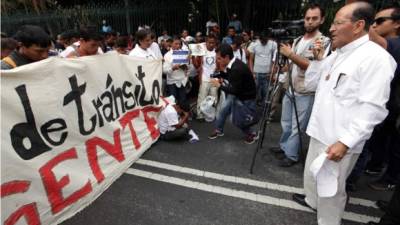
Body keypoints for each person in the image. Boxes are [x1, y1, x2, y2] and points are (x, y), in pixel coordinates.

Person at [291, 2, 397, 225]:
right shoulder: (336, 54)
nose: (331, 28)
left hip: (338, 142)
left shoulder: (375, 58)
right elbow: (312, 84)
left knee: (331, 193)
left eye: (338, 22)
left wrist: (346, 142)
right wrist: (319, 60)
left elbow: (373, 108)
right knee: (314, 181)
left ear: (358, 26)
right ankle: (315, 206)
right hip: (320, 133)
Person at [271, 3, 331, 167]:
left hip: (305, 91)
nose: (310, 22)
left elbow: (313, 67)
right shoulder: (298, 39)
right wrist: (284, 64)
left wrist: (291, 54)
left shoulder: (322, 41)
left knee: (298, 125)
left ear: (322, 20)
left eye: (314, 18)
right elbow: (294, 64)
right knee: (286, 122)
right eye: (307, 18)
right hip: (290, 87)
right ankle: (284, 147)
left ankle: (292, 155)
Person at [208, 44, 257, 144]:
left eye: (219, 58)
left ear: (226, 57)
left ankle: (252, 134)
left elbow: (234, 90)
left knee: (239, 119)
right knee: (223, 111)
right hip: (237, 92)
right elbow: (231, 78)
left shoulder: (236, 68)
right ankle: (218, 130)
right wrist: (220, 74)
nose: (218, 61)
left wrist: (219, 85)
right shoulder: (233, 64)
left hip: (245, 97)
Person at [248, 30, 277, 105]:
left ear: (268, 38)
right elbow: (251, 59)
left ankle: (263, 113)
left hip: (267, 74)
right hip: (256, 73)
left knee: (266, 95)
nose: (264, 42)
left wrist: (272, 72)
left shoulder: (273, 44)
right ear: (259, 39)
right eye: (262, 40)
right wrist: (252, 73)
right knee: (253, 94)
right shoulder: (254, 44)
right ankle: (251, 113)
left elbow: (275, 59)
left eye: (265, 40)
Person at [194, 34, 218, 121]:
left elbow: (220, 64)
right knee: (202, 97)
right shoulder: (202, 52)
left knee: (214, 97)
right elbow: (196, 64)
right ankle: (200, 115)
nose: (211, 44)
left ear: (215, 43)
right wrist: (193, 57)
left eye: (213, 43)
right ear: (206, 42)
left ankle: (211, 114)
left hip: (214, 79)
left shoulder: (217, 51)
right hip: (204, 78)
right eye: (209, 42)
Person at [163, 37, 189, 108]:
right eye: (176, 44)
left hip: (182, 81)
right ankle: (173, 117)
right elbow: (164, 70)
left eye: (179, 44)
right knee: (172, 101)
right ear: (171, 44)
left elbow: (187, 67)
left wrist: (185, 66)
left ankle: (183, 116)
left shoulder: (183, 53)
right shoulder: (167, 55)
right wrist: (173, 68)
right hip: (172, 82)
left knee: (183, 100)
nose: (178, 46)